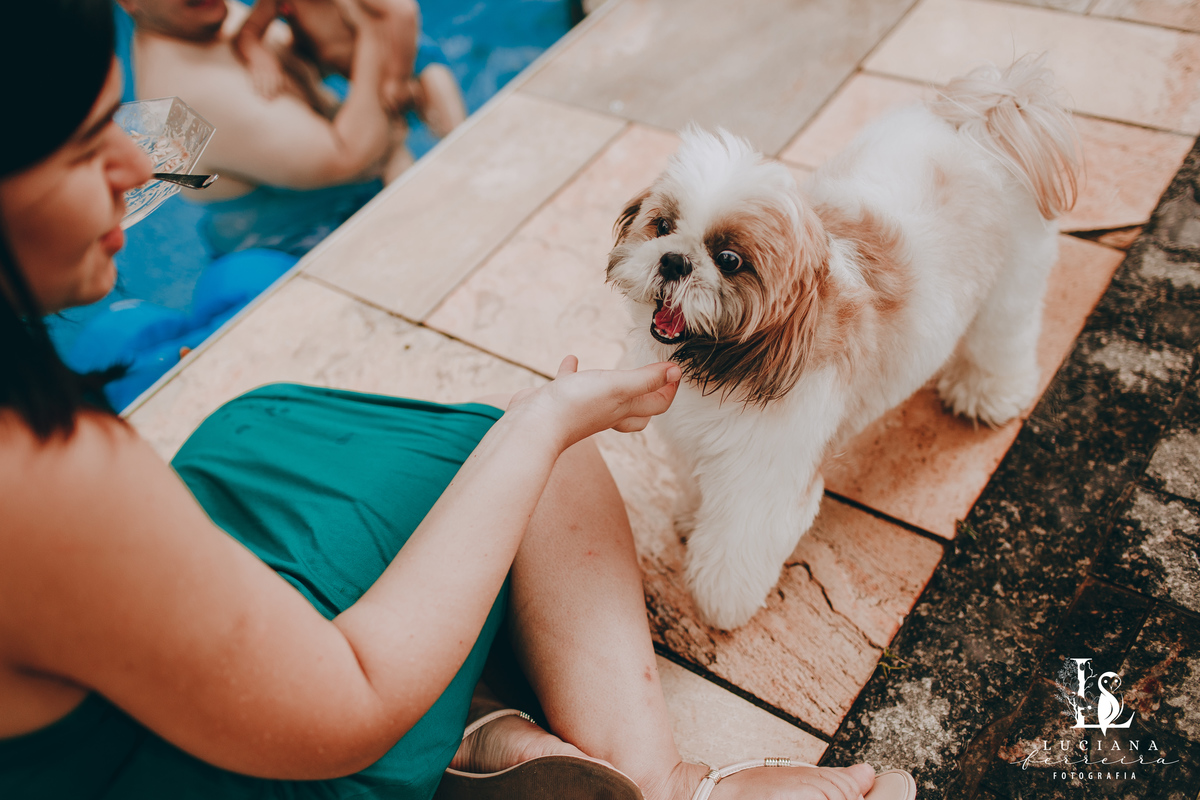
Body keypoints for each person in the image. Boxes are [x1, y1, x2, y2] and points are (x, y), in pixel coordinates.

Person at [0, 2, 887, 799]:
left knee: (253, 425)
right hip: (265, 754)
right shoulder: (44, 482)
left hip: (129, 704)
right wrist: (544, 424)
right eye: (85, 145)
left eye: (117, 121)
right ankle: (661, 779)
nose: (139, 162)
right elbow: (350, 708)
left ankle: (481, 715)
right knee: (540, 460)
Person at [116, 0, 452, 256]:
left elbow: (316, 57)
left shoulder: (202, 15)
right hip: (305, 236)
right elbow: (352, 159)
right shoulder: (190, 97)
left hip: (336, 181)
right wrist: (374, 27)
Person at [232, 0, 466, 139]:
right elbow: (248, 32)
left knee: (453, 129)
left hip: (414, 62)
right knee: (389, 148)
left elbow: (404, 12)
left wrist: (399, 78)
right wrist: (260, 56)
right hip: (369, 82)